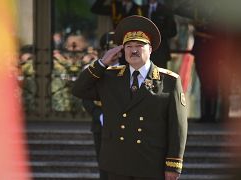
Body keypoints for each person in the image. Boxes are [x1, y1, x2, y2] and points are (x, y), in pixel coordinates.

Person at [72, 15, 187, 180]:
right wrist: (102, 63)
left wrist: (173, 164)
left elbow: (178, 127)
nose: (133, 50)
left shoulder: (169, 81)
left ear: (150, 49)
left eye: (139, 46)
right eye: (128, 46)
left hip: (150, 164)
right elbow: (79, 89)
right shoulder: (110, 77)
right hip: (117, 164)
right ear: (122, 50)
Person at [82, 31, 123, 180]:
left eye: (115, 49)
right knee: (104, 165)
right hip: (100, 123)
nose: (112, 53)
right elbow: (85, 97)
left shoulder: (129, 70)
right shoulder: (94, 70)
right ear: (103, 51)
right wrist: (98, 114)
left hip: (123, 124)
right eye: (108, 49)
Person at [142, 0, 177, 68]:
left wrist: (157, 34)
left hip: (160, 52)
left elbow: (173, 32)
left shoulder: (166, 10)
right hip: (143, 51)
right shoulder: (141, 9)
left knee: (160, 76)